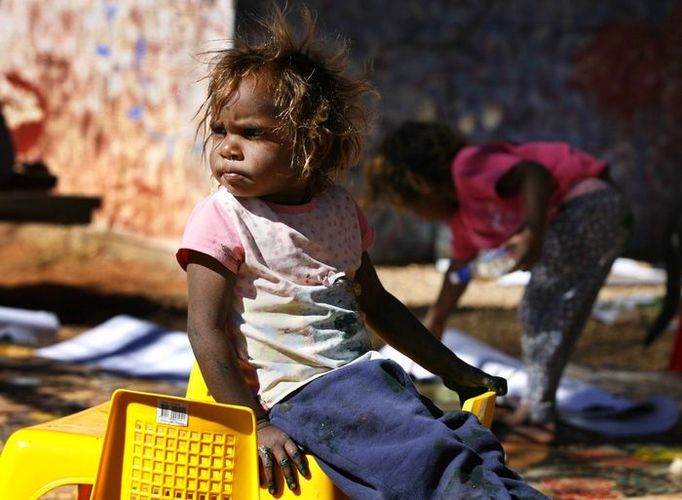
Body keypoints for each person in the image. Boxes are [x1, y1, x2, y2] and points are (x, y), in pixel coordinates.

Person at [177, 7, 547, 499]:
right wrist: (255, 425)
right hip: (302, 395)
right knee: (428, 462)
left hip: (364, 379)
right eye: (221, 130)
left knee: (464, 438)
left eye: (253, 133)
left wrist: (455, 370)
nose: (227, 148)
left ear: (313, 142)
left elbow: (378, 304)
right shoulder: (223, 218)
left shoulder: (336, 209)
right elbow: (205, 330)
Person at [365, 121, 630, 443]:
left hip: (587, 204)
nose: (420, 217)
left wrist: (532, 231)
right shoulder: (462, 221)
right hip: (602, 213)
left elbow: (533, 172)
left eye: (411, 208)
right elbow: (459, 272)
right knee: (559, 313)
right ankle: (539, 406)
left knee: (539, 310)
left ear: (421, 185)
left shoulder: (468, 168)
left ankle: (538, 414)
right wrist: (437, 319)